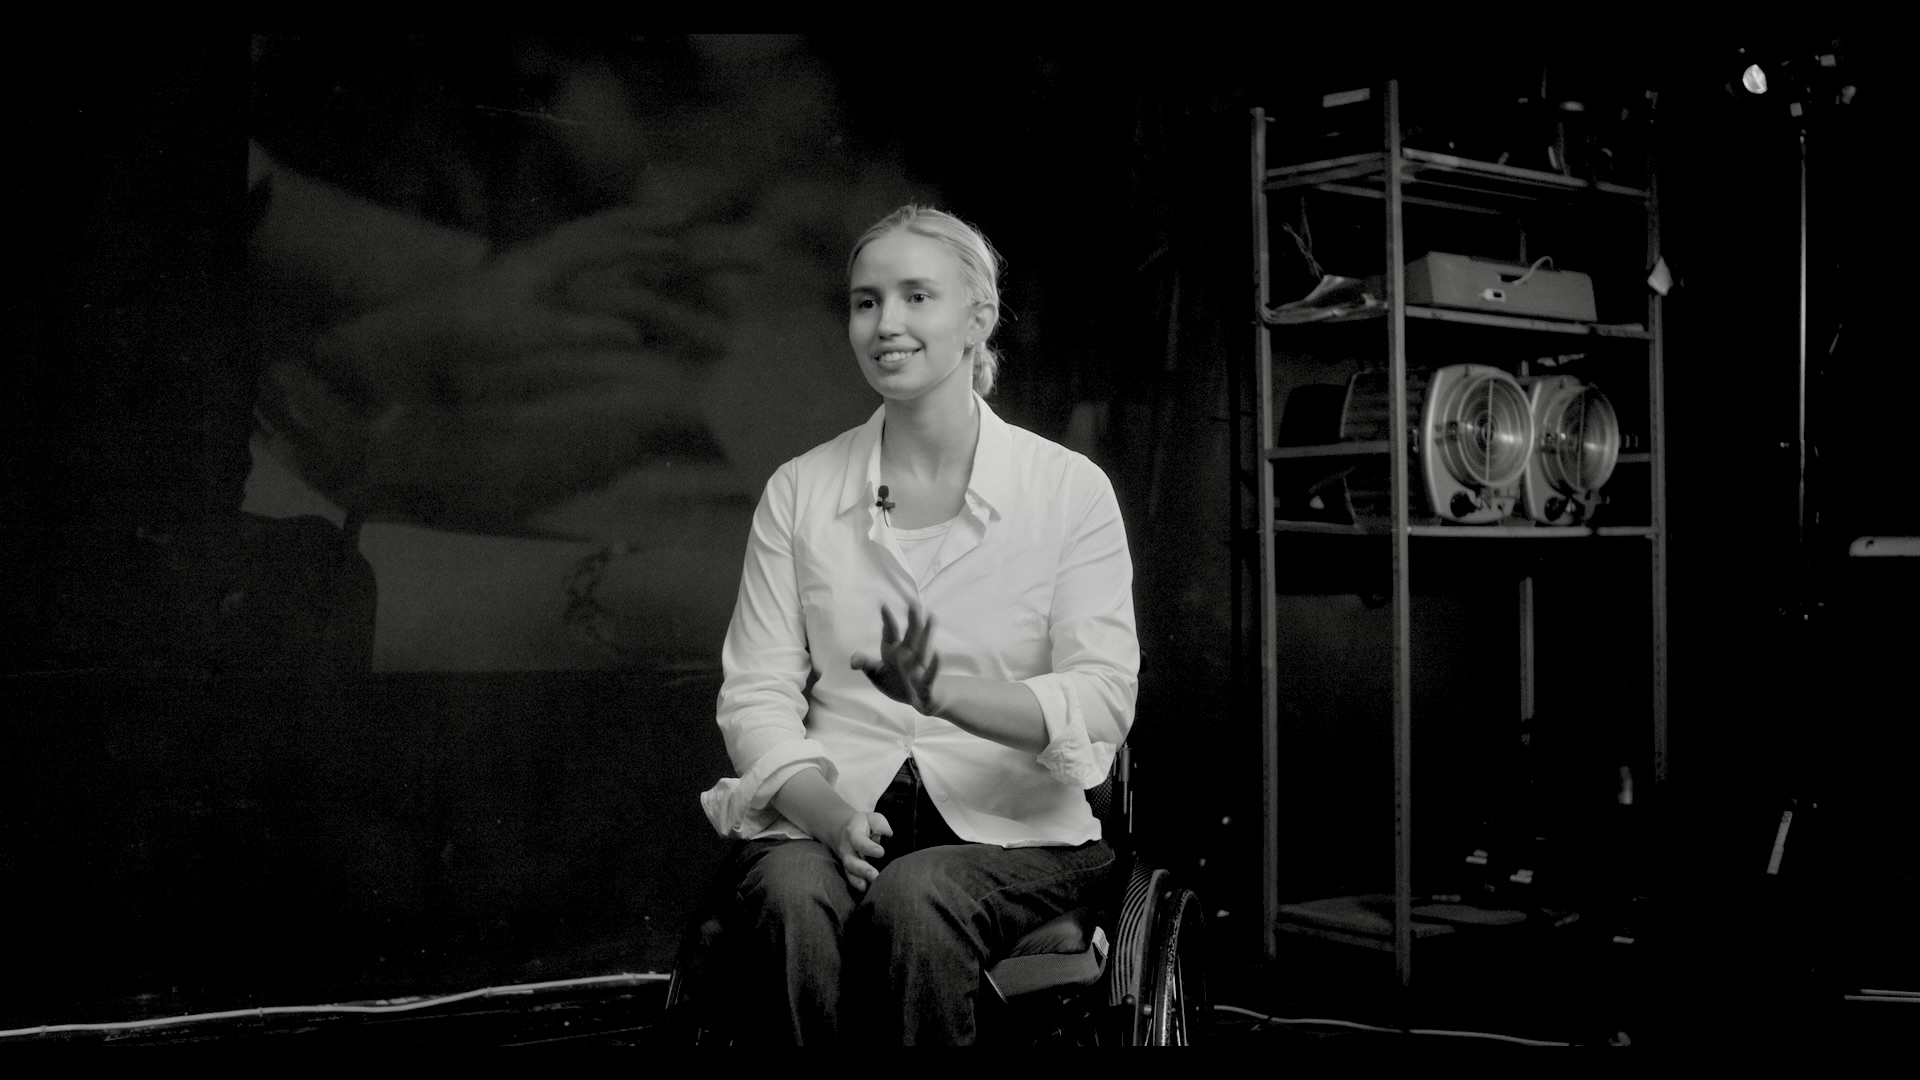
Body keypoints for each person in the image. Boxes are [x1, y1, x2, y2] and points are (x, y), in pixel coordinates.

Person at [698, 205, 1139, 1045]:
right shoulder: (800, 490)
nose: (885, 324)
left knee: (916, 895)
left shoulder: (1067, 490)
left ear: (979, 318)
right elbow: (755, 695)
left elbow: (1104, 698)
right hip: (837, 807)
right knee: (791, 893)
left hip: (1015, 831)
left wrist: (948, 694)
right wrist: (828, 816)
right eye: (866, 302)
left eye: (914, 297)